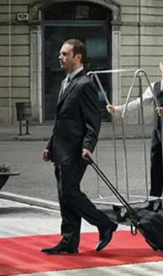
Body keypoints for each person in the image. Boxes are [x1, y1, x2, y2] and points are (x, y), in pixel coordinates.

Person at [42, 39, 118, 254]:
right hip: (60, 149)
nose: (60, 57)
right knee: (64, 196)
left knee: (70, 193)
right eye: (60, 53)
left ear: (78, 57)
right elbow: (61, 120)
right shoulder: (66, 82)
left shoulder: (85, 84)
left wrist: (88, 145)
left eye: (65, 54)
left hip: (76, 150)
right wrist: (50, 145)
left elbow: (93, 120)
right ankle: (68, 241)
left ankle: (105, 224)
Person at [106, 58, 163, 211]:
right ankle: (155, 200)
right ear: (161, 70)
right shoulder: (154, 86)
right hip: (157, 131)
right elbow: (139, 102)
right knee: (155, 165)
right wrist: (118, 109)